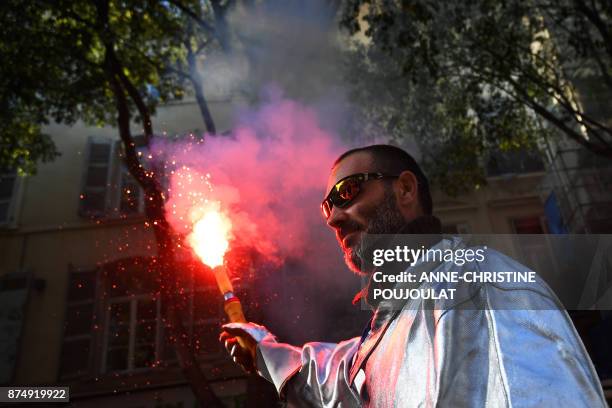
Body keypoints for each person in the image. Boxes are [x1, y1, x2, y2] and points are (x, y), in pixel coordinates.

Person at [220, 144, 607, 407]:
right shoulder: (387, 329)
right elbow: (333, 379)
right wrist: (263, 350)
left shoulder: (477, 281)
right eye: (327, 207)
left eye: (348, 191)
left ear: (405, 189)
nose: (334, 218)